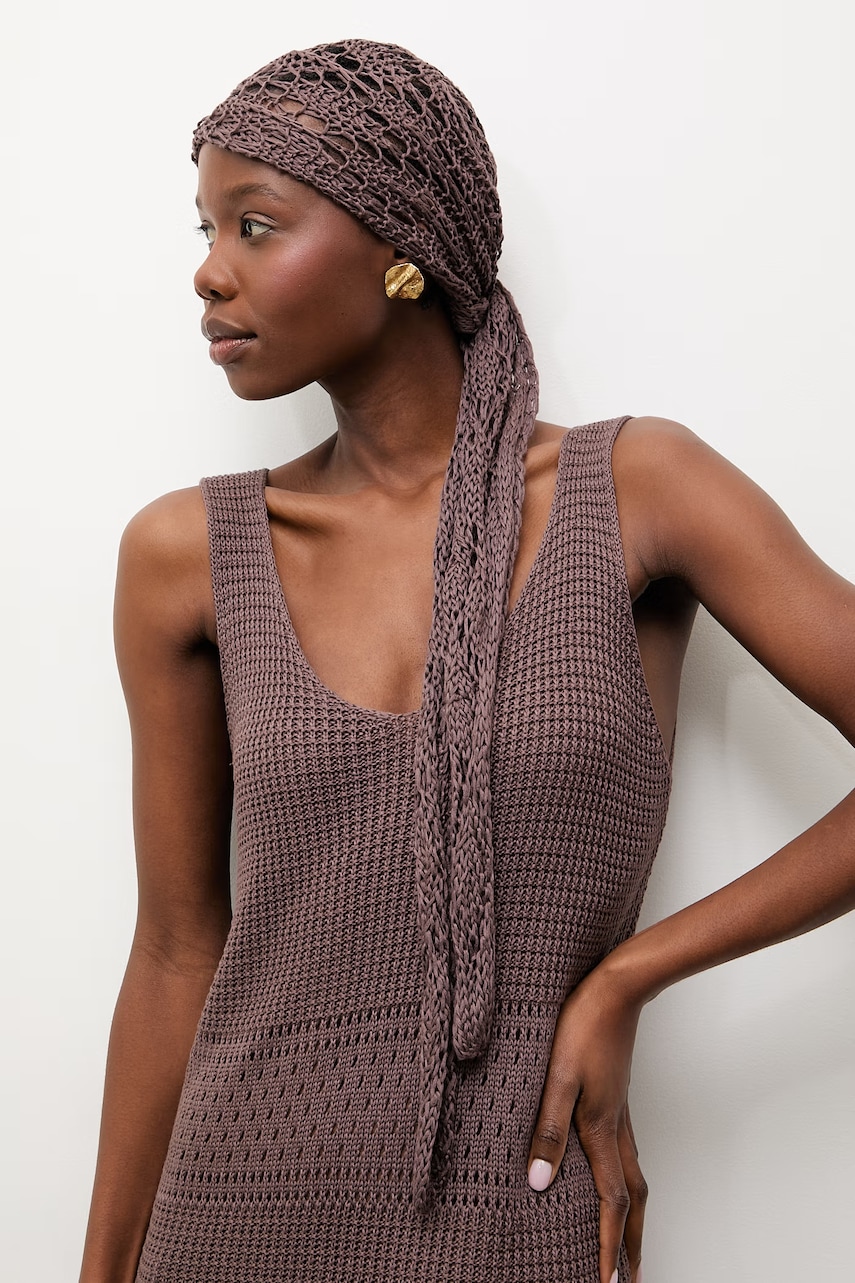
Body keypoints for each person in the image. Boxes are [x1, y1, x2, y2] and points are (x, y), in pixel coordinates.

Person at [79, 38, 855, 1283]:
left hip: (522, 1212)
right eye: (207, 227)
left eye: (255, 225)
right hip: (233, 1216)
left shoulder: (637, 489)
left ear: (401, 252)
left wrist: (630, 975)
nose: (209, 271)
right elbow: (176, 950)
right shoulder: (186, 557)